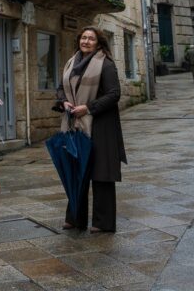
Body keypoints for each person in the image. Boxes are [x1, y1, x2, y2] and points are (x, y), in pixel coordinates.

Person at [61, 26, 127, 233]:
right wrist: (63, 102)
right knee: (76, 173)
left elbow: (114, 94)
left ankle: (102, 222)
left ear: (98, 43)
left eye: (91, 39)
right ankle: (74, 218)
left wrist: (89, 108)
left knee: (101, 174)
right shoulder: (71, 63)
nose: (86, 41)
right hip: (76, 126)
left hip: (101, 126)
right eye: (83, 38)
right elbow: (60, 89)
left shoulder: (105, 65)